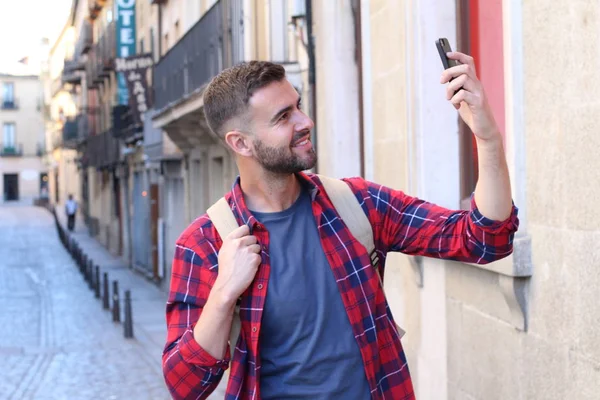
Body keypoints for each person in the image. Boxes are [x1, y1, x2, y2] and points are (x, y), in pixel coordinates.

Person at [162, 55, 519, 400]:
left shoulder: (355, 204)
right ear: (240, 143)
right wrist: (224, 293)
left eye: (298, 105)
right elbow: (185, 386)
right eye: (284, 116)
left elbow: (484, 240)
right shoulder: (205, 243)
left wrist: (487, 139)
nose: (305, 121)